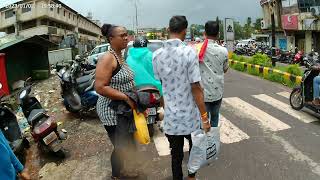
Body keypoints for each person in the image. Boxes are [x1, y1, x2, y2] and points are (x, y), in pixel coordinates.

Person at [152, 15, 211, 180]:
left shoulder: (156, 55)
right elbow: (196, 87)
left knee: (175, 155)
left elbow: (160, 86)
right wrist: (205, 117)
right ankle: (191, 177)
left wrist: (166, 107)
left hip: (171, 117)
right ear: (185, 31)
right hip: (190, 117)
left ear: (168, 29)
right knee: (194, 149)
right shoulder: (189, 52)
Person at [95, 23, 138, 179]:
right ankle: (116, 175)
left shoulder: (120, 55)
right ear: (111, 38)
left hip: (123, 109)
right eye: (122, 35)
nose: (126, 38)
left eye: (127, 34)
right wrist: (126, 97)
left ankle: (123, 170)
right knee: (120, 146)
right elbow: (100, 87)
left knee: (126, 143)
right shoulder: (107, 57)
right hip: (111, 111)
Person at [198, 21, 229, 127]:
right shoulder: (224, 51)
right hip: (217, 92)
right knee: (215, 118)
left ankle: (205, 141)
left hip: (202, 94)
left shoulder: (198, 49)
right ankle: (213, 142)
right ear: (218, 34)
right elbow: (225, 69)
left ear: (204, 33)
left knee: (203, 121)